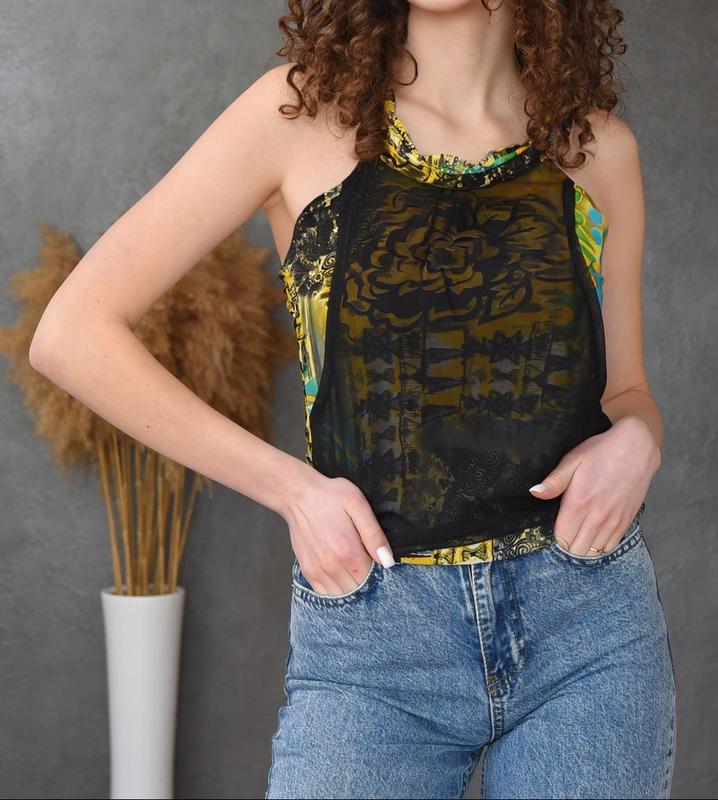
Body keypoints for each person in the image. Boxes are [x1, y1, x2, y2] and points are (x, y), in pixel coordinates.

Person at [29, 0, 676, 798]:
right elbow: (72, 333)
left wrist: (639, 440)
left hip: (586, 626)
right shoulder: (298, 116)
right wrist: (292, 491)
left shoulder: (597, 150)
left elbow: (627, 392)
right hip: (376, 638)